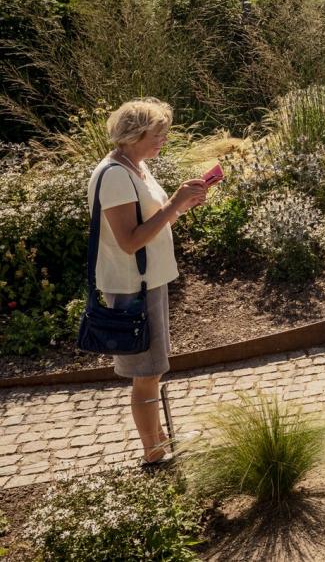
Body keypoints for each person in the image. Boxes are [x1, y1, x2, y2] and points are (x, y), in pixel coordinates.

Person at [89, 99, 207, 465]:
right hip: (131, 288)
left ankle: (161, 440)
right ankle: (154, 454)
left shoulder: (135, 168)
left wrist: (181, 205)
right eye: (158, 135)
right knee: (146, 374)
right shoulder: (113, 176)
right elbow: (129, 241)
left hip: (148, 282)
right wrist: (174, 205)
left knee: (152, 370)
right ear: (135, 134)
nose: (163, 141)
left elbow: (153, 221)